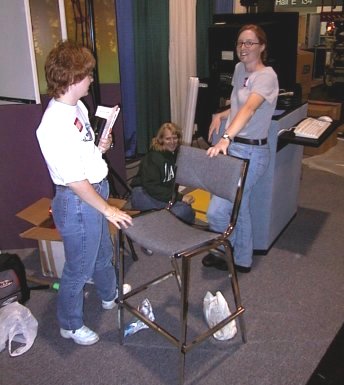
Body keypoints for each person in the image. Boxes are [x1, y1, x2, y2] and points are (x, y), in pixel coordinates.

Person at [36, 40, 133, 346]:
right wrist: (109, 209)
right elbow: (75, 180)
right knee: (78, 268)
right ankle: (69, 324)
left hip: (94, 190)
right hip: (77, 201)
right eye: (88, 74)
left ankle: (108, 295)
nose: (92, 78)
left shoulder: (77, 106)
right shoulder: (52, 124)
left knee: (103, 253)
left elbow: (82, 153)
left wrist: (99, 147)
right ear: (73, 77)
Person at [203, 24, 279, 273]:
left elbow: (249, 108)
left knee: (228, 208)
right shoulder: (239, 69)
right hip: (235, 148)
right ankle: (233, 253)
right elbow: (238, 103)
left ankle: (237, 256)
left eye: (249, 43)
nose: (243, 48)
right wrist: (221, 114)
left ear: (262, 47)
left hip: (252, 153)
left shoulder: (267, 76)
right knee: (230, 207)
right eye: (240, 43)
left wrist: (225, 137)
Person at [130, 122, 195, 225]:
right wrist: (180, 197)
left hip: (161, 193)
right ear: (160, 140)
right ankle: (157, 226)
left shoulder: (176, 155)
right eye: (168, 139)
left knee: (185, 210)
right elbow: (152, 187)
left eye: (175, 138)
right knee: (184, 211)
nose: (172, 142)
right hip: (142, 193)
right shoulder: (153, 157)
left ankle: (157, 223)